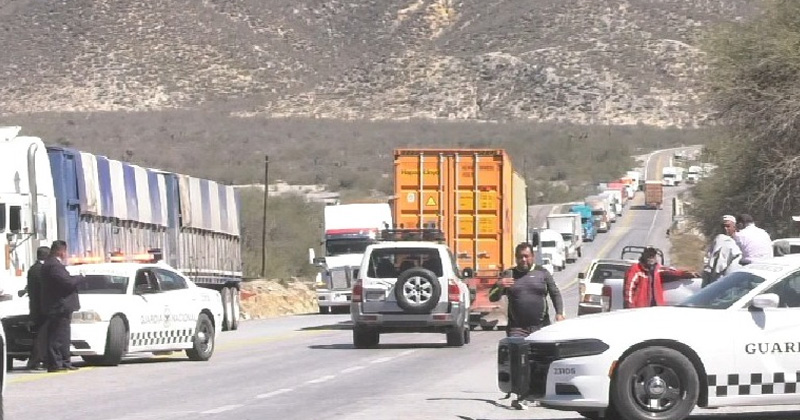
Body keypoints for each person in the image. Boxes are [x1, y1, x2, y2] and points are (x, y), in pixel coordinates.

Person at [489, 242, 565, 410]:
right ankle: (520, 395)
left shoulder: (542, 273)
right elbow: (492, 297)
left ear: (532, 257)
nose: (523, 260)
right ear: (516, 258)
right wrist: (500, 285)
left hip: (540, 326)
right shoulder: (509, 274)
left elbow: (555, 293)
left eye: (526, 256)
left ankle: (538, 393)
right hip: (517, 328)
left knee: (539, 362)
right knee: (518, 363)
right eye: (520, 257)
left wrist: (559, 313)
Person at [41, 240, 86, 372]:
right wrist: (80, 278)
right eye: (65, 251)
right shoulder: (53, 265)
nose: (66, 254)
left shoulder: (54, 264)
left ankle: (65, 361)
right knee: (57, 336)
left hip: (61, 307)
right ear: (60, 251)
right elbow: (67, 282)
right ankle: (55, 363)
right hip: (58, 306)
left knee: (64, 336)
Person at [623, 247, 699, 309]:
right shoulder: (635, 269)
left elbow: (672, 272)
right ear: (643, 256)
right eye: (648, 255)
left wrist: (686, 274)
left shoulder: (657, 269)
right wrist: (630, 307)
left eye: (652, 255)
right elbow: (628, 289)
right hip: (640, 309)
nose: (650, 258)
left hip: (656, 307)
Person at [24, 246, 50, 370]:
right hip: (41, 308)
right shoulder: (39, 270)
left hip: (37, 306)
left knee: (42, 335)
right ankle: (35, 361)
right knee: (41, 335)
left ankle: (40, 359)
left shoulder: (34, 269)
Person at [701, 215, 742, 287]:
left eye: (728, 226)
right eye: (723, 226)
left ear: (734, 227)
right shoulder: (721, 240)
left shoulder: (739, 239)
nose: (725, 229)